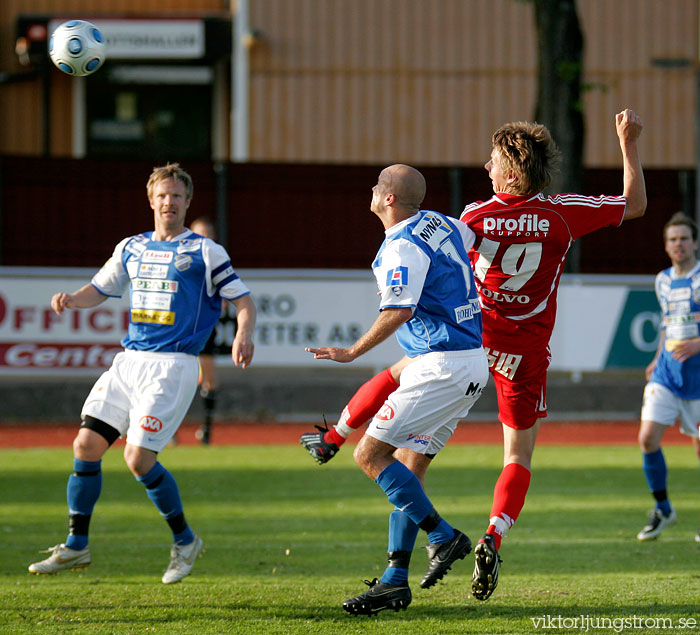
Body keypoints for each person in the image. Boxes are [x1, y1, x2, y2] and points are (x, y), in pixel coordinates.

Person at [301, 109, 647, 601]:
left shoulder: (476, 216)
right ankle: (493, 535)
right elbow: (634, 205)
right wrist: (628, 142)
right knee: (517, 455)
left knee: (402, 416)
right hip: (524, 355)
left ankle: (345, 454)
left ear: (509, 170)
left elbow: (443, 257)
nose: (485, 167)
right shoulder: (562, 212)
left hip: (473, 344)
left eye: (491, 160)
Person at [28, 163, 256, 584]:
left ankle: (185, 541)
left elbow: (243, 300)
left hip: (172, 367)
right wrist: (71, 300)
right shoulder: (131, 247)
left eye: (177, 196)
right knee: (85, 445)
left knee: (137, 458)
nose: (169, 202)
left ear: (187, 202)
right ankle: (77, 546)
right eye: (162, 196)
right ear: (151, 201)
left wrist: (243, 334)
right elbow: (99, 288)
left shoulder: (206, 252)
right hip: (129, 361)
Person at [305, 164, 489, 616]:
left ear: (389, 199)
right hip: (468, 361)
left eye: (377, 184)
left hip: (441, 365)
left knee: (370, 457)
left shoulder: (401, 245)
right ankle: (394, 581)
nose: (371, 188)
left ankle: (444, 536)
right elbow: (473, 243)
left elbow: (399, 310)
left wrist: (351, 350)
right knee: (408, 472)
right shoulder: (443, 223)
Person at [636, 212, 700, 542]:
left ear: (695, 243)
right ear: (666, 245)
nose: (678, 244)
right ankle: (663, 508)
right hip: (666, 374)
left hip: (698, 377)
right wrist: (657, 356)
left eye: (684, 238)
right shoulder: (662, 280)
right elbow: (667, 323)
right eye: (673, 239)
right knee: (648, 438)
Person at [190, 216, 223, 445]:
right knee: (176, 378)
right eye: (199, 234)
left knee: (208, 379)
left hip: (205, 328)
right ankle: (165, 428)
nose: (204, 239)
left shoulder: (218, 263)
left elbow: (227, 297)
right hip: (179, 331)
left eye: (208, 235)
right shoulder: (181, 260)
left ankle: (207, 428)